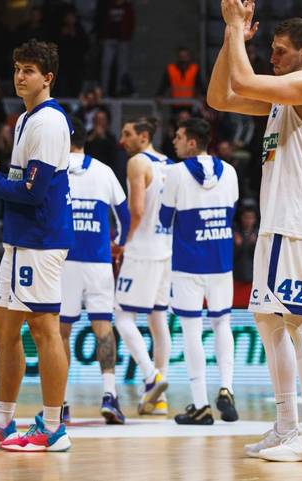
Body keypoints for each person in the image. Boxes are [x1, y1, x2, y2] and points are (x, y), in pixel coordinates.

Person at [208, 0, 302, 462]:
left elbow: (242, 83)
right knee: (268, 321)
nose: (273, 58)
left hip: (299, 223)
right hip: (275, 224)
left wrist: (232, 29)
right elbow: (220, 96)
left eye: (280, 53)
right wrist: (233, 36)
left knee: (301, 321)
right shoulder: (282, 100)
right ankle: (286, 426)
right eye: (270, 50)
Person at [0, 39, 74, 452]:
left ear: (48, 77)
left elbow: (34, 191)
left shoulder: (47, 122)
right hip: (21, 239)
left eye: (29, 70)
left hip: (41, 240)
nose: (20, 76)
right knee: (4, 328)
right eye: (17, 68)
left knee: (44, 330)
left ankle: (55, 426)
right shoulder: (27, 118)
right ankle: (3, 421)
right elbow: (25, 180)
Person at [159, 117, 240, 425]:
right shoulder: (230, 171)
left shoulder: (176, 173)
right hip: (221, 260)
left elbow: (165, 218)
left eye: (178, 137)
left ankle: (201, 404)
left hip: (188, 262)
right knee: (222, 324)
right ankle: (227, 388)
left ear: (192, 142)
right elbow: (230, 211)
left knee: (191, 330)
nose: (175, 142)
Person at [59, 117, 131, 424]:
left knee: (60, 331)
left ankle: (59, 402)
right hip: (99, 261)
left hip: (64, 261)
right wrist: (118, 243)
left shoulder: (54, 172)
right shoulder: (104, 171)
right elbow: (125, 217)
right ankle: (109, 395)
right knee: (103, 326)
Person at [113, 116, 173, 416]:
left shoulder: (138, 162)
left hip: (141, 249)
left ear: (144, 135)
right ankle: (158, 399)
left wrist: (122, 241)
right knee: (158, 320)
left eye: (127, 133)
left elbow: (135, 211)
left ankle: (151, 378)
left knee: (122, 316)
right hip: (166, 250)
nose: (122, 140)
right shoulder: (170, 164)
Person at [97, 0, 135, 96]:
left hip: (123, 40)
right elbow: (104, 22)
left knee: (122, 67)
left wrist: (127, 36)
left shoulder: (128, 7)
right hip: (109, 40)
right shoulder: (109, 6)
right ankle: (103, 90)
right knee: (106, 65)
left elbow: (131, 24)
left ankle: (120, 90)